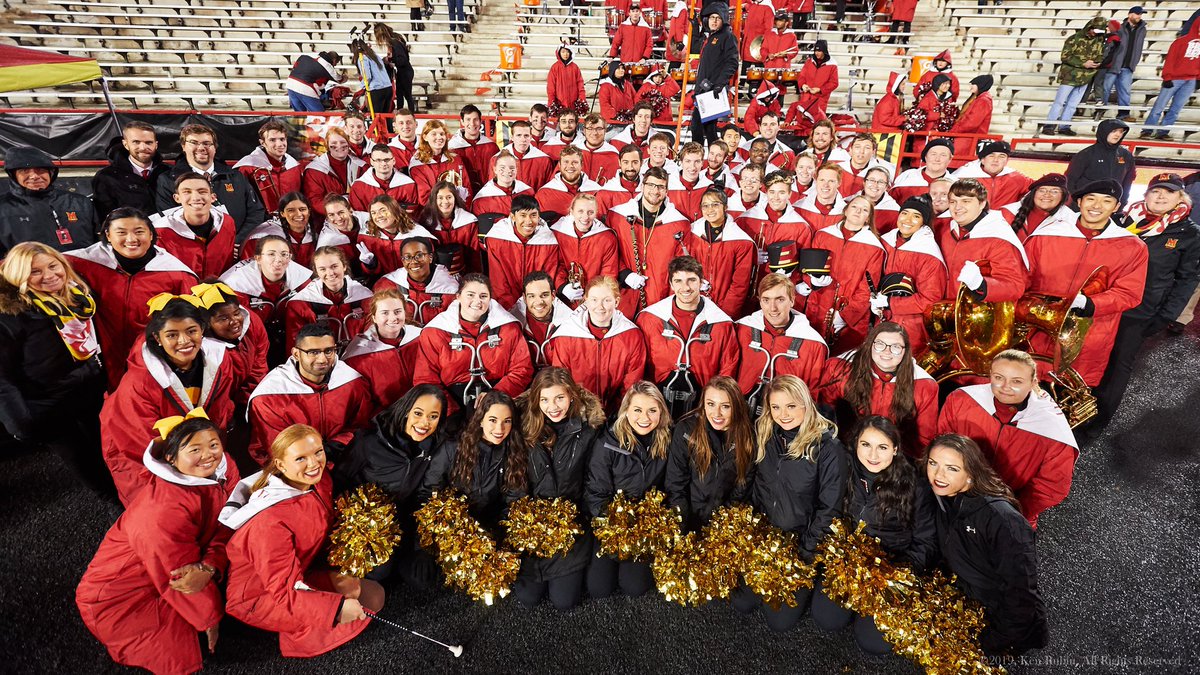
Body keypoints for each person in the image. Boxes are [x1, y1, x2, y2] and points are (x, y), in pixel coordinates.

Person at [76, 414, 237, 675]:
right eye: (195, 449)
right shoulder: (160, 510)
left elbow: (227, 522)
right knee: (179, 657)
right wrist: (211, 617)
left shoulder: (224, 468)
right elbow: (177, 575)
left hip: (175, 564)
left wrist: (210, 566)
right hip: (121, 592)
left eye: (213, 444)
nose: (209, 455)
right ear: (171, 458)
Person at [222, 425, 383, 657]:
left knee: (369, 593)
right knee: (360, 606)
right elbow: (283, 591)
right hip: (261, 596)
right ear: (280, 465)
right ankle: (295, 640)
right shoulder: (268, 523)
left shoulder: (318, 480)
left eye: (318, 452)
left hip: (298, 572)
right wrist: (334, 609)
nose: (314, 463)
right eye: (300, 458)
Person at [810, 416, 937, 656]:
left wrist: (896, 577)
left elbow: (926, 541)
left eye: (883, 447)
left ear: (896, 449)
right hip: (848, 565)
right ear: (856, 444)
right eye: (866, 445)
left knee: (873, 643)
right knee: (827, 620)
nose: (873, 455)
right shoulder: (843, 469)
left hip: (890, 567)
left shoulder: (915, 485)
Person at [0, 243, 112, 497]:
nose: (49, 275)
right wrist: (21, 422)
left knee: (109, 449)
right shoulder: (8, 316)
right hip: (48, 404)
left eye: (53, 266)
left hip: (89, 390)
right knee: (87, 465)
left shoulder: (78, 296)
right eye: (35, 271)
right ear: (18, 275)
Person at [100, 296, 235, 506]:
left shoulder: (220, 360)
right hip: (144, 453)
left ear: (202, 329)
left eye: (192, 331)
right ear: (157, 337)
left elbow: (219, 413)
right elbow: (141, 443)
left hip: (191, 448)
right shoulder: (138, 384)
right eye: (172, 334)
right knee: (165, 510)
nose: (184, 341)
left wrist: (210, 451)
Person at [736, 374, 845, 631]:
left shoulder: (828, 449)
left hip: (799, 545)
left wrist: (805, 554)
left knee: (779, 621)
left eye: (791, 406)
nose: (783, 414)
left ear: (806, 404)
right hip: (765, 536)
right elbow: (755, 484)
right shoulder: (765, 434)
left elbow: (829, 509)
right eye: (776, 407)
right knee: (742, 603)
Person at [924, 433, 1049, 656]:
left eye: (952, 468)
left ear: (971, 473)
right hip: (966, 599)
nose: (938, 474)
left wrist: (988, 643)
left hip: (997, 620)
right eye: (933, 463)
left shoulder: (1002, 520)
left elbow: (1021, 597)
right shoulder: (943, 494)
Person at [1095, 173, 1200, 427]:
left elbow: (1187, 279)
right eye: (1156, 191)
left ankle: (1098, 420)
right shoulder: (1121, 220)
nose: (1161, 196)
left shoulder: (1188, 233)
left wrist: (1166, 315)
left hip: (1139, 310)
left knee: (1119, 363)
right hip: (1103, 304)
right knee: (1093, 356)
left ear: (1180, 198)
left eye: (1169, 192)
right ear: (1146, 194)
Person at [1023, 179, 1148, 388]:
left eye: (1107, 201)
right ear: (1079, 202)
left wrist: (1091, 304)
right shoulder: (1046, 234)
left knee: (1069, 397)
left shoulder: (1132, 246)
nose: (1097, 206)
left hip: (1088, 333)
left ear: (1117, 207)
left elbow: (1130, 293)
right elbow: (1024, 276)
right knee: (1022, 392)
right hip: (1036, 330)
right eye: (1091, 199)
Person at [938, 350, 1077, 529]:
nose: (1005, 387)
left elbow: (1051, 486)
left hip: (1006, 514)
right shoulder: (961, 399)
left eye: (1017, 381)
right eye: (998, 377)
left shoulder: (1053, 431)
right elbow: (942, 444)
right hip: (953, 495)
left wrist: (1007, 512)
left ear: (1033, 383)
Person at [65, 208, 197, 389]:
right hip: (98, 361)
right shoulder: (82, 263)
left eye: (139, 232)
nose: (131, 239)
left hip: (153, 361)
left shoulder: (177, 274)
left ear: (151, 234)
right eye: (121, 232)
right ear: (107, 235)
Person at [511, 368, 606, 610]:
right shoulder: (523, 429)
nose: (553, 407)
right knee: (528, 598)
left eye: (559, 398)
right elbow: (516, 482)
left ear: (572, 395)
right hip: (533, 524)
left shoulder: (589, 431)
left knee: (564, 601)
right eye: (544, 399)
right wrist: (524, 523)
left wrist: (575, 521)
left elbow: (592, 482)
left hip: (572, 523)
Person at [338, 385, 447, 586]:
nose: (424, 423)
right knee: (379, 571)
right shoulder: (369, 442)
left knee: (422, 577)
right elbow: (340, 482)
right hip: (364, 524)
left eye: (433, 416)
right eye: (418, 413)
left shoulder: (433, 445)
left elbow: (425, 494)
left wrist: (420, 546)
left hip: (400, 520)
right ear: (406, 410)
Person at [586, 381, 673, 598]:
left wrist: (652, 525)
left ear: (661, 412)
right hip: (612, 522)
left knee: (635, 587)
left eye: (652, 410)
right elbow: (596, 493)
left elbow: (672, 487)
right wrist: (616, 527)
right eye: (637, 410)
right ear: (626, 411)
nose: (645, 418)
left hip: (646, 525)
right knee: (599, 588)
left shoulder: (668, 440)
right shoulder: (607, 443)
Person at [247, 324, 373, 464]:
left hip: (344, 455)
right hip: (292, 466)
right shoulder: (268, 397)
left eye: (328, 351)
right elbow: (277, 447)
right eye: (313, 352)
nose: (322, 359)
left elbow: (360, 425)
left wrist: (337, 446)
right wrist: (316, 454)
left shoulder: (353, 382)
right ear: (296, 354)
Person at [414, 273, 534, 415]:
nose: (477, 301)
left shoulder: (509, 328)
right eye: (470, 295)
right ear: (458, 296)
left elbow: (522, 369)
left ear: (490, 299)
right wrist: (451, 411)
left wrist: (496, 397)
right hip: (450, 401)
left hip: (500, 397)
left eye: (483, 296)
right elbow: (425, 378)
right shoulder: (435, 331)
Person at [637, 255, 739, 418]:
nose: (685, 288)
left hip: (701, 406)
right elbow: (639, 366)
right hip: (655, 404)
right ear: (670, 284)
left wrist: (713, 406)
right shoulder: (649, 318)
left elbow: (728, 367)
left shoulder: (722, 323)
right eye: (678, 281)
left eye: (691, 280)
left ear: (702, 282)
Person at [419, 390, 528, 538]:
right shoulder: (452, 448)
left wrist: (495, 533)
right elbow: (429, 492)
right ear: (481, 420)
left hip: (491, 532)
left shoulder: (514, 452)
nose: (499, 429)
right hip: (451, 533)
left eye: (507, 421)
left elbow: (514, 501)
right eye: (493, 420)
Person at [817, 322, 939, 454]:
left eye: (896, 347)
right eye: (880, 344)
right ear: (870, 345)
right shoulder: (840, 369)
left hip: (893, 458)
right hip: (843, 450)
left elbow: (922, 440)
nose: (887, 351)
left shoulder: (924, 385)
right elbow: (823, 416)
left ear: (906, 350)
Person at [664, 375, 755, 532]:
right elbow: (675, 484)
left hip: (720, 527)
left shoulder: (748, 438)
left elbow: (741, 489)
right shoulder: (686, 430)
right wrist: (682, 526)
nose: (717, 413)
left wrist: (720, 526)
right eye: (711, 404)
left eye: (725, 406)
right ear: (703, 404)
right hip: (685, 521)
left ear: (737, 406)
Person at [546, 276, 647, 412]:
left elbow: (632, 384)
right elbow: (561, 381)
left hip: (616, 412)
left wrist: (619, 413)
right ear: (586, 300)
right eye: (594, 300)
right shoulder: (566, 335)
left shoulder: (632, 335)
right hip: (576, 411)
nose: (600, 306)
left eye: (607, 300)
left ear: (616, 302)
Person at [735, 273, 827, 413]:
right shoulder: (741, 328)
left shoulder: (813, 344)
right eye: (766, 300)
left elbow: (812, 394)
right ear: (759, 301)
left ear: (792, 300)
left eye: (780, 300)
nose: (773, 308)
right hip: (740, 409)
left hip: (784, 417)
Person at [802, 194, 883, 348]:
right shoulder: (823, 235)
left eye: (864, 210)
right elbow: (808, 268)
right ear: (845, 211)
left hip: (849, 316)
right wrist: (812, 281)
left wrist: (846, 316)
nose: (858, 211)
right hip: (818, 305)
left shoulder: (875, 248)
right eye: (854, 207)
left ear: (868, 218)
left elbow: (867, 289)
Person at [155, 124, 264, 238]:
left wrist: (237, 241)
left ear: (215, 147)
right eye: (194, 142)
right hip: (194, 250)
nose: (201, 148)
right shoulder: (168, 180)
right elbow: (170, 220)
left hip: (237, 248)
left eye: (207, 143)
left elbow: (256, 212)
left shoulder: (236, 176)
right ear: (183, 146)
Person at [607, 167, 691, 316]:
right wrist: (625, 274)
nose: (655, 190)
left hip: (660, 296)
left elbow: (681, 265)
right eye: (651, 185)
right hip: (624, 294)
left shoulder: (679, 223)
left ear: (666, 191)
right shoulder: (617, 216)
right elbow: (608, 254)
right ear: (642, 186)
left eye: (660, 187)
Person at [219, 235, 314, 361]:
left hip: (288, 336)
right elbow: (240, 330)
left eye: (284, 254)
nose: (278, 260)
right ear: (258, 258)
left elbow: (308, 322)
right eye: (271, 254)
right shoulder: (238, 284)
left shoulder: (301, 280)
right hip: (251, 341)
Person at [937, 178, 1029, 307]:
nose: (957, 207)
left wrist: (981, 284)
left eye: (966, 201)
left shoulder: (999, 238)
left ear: (982, 203)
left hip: (975, 316)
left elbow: (1014, 286)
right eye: (953, 202)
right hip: (942, 313)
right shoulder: (944, 228)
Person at [0, 146, 97, 256]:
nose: (34, 176)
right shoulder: (3, 208)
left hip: (82, 270)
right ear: (13, 175)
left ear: (51, 173)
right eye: (25, 170)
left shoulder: (80, 202)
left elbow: (99, 242)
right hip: (26, 272)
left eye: (41, 170)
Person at [878, 196, 946, 353]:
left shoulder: (929, 254)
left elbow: (930, 299)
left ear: (924, 222)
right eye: (905, 213)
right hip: (880, 318)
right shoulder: (885, 241)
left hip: (910, 326)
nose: (908, 220)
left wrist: (890, 303)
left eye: (916, 216)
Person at [342, 288, 422, 414]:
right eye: (385, 313)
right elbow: (362, 405)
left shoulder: (422, 338)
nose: (393, 318)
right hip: (385, 418)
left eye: (397, 312)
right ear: (374, 317)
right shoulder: (357, 357)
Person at [683, 188, 755, 317]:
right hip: (693, 302)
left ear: (725, 207)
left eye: (715, 204)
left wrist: (724, 315)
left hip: (723, 308)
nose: (710, 210)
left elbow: (739, 285)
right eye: (705, 206)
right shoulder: (692, 233)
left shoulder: (741, 240)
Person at [196, 282, 269, 409]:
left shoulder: (252, 322)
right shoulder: (204, 351)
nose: (234, 322)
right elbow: (216, 400)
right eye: (223, 318)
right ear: (207, 323)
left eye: (236, 313)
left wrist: (248, 403)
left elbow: (259, 366)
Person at [284, 247, 372, 350]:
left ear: (344, 266)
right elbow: (297, 346)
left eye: (334, 266)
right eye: (322, 269)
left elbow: (373, 338)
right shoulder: (300, 303)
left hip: (359, 355)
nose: (330, 273)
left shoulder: (366, 297)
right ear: (316, 271)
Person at [484, 195, 564, 308]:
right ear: (512, 216)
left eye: (533, 215)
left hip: (538, 304)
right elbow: (498, 282)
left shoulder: (549, 242)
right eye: (523, 215)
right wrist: (511, 309)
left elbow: (547, 278)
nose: (529, 221)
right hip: (506, 303)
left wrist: (535, 306)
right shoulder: (496, 239)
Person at [152, 173, 237, 279]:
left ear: (213, 197)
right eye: (187, 192)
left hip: (217, 291)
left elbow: (227, 265)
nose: (196, 197)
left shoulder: (227, 222)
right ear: (177, 198)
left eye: (202, 192)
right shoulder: (160, 231)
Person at [1042, 17, 1108, 136]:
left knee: (1073, 104)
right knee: (1059, 102)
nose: (1096, 34)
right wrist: (1083, 63)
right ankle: (1049, 125)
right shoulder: (1074, 39)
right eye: (1096, 30)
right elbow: (1065, 57)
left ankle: (1064, 125)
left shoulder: (1099, 40)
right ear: (1090, 27)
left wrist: (1097, 62)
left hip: (1086, 76)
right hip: (1070, 76)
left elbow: (1100, 55)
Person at [373, 238, 460, 327]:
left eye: (419, 255)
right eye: (407, 257)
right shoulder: (387, 285)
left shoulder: (451, 291)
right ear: (402, 261)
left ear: (430, 258)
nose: (414, 261)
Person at [91, 121, 169, 220]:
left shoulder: (170, 173)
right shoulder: (106, 177)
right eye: (136, 142)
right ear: (125, 144)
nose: (143, 147)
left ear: (156, 144)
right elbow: (105, 218)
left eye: (148, 142)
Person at [550, 193, 619, 301]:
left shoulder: (607, 238)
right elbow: (556, 265)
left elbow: (608, 273)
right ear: (571, 211)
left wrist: (593, 297)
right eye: (580, 211)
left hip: (595, 299)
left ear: (596, 213)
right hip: (563, 297)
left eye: (590, 212)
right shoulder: (558, 233)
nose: (585, 217)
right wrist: (562, 287)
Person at [1139, 20, 1200, 141]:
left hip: (1190, 80)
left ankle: (1163, 131)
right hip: (1174, 78)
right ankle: (1147, 130)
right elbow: (1170, 59)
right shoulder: (1180, 42)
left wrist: (1198, 78)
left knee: (1176, 109)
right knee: (1159, 106)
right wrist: (1167, 76)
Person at [690, 2, 739, 147]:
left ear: (723, 20)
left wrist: (719, 84)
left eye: (717, 18)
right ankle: (715, 157)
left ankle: (698, 156)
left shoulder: (728, 37)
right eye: (712, 17)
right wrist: (694, 29)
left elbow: (732, 63)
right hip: (704, 90)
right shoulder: (710, 37)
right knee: (709, 130)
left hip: (712, 91)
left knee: (698, 127)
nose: (714, 21)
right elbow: (694, 48)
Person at [234, 120, 302, 214]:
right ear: (262, 143)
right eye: (272, 140)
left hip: (290, 220)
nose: (279, 144)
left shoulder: (294, 167)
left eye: (282, 139)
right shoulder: (247, 168)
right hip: (260, 223)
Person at [358, 194, 436, 276]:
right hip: (383, 283)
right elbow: (370, 275)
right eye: (373, 213)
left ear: (394, 210)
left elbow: (427, 266)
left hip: (414, 281)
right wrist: (371, 264)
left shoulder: (418, 234)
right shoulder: (366, 237)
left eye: (383, 210)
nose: (378, 216)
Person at [1064, 120, 1136, 204]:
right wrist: (1075, 204)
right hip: (1083, 205)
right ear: (1104, 131)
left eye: (1121, 131)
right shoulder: (1086, 154)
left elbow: (1127, 183)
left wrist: (1121, 204)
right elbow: (1069, 181)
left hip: (1111, 206)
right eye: (1114, 131)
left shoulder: (1126, 155)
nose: (1118, 134)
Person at [511, 271, 573, 368]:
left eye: (544, 295)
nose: (539, 302)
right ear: (524, 298)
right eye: (532, 296)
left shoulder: (571, 323)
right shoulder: (511, 324)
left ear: (553, 295)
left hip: (558, 379)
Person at [240, 192, 317, 269]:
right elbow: (251, 268)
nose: (298, 214)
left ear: (309, 211)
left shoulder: (315, 235)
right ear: (282, 213)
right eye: (291, 210)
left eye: (302, 209)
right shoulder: (263, 236)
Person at [418, 180, 481, 274]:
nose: (445, 201)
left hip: (464, 273)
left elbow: (475, 255)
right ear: (434, 199)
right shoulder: (426, 224)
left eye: (449, 197)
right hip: (436, 276)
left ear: (455, 198)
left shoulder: (469, 222)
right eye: (440, 198)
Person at [951, 140, 1033, 210]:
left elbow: (1038, 188)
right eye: (991, 156)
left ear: (1007, 161)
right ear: (982, 160)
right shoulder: (963, 176)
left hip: (1004, 223)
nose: (996, 160)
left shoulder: (1015, 177)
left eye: (1002, 156)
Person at [302, 128, 366, 216]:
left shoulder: (361, 166)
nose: (339, 146)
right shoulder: (314, 171)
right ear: (327, 146)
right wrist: (338, 213)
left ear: (348, 144)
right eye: (334, 143)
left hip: (357, 214)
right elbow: (314, 201)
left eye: (342, 142)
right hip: (329, 217)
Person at [1098, 7, 1147, 122]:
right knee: (1106, 89)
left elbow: (1138, 48)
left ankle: (1123, 114)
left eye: (1140, 14)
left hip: (1128, 65)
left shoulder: (1142, 30)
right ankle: (1099, 111)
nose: (1139, 16)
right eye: (1137, 14)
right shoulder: (1119, 28)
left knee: (1125, 91)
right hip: (1114, 64)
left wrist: (1134, 62)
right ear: (1130, 14)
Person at [408, 120, 473, 205]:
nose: (439, 137)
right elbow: (424, 198)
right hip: (432, 213)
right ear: (425, 137)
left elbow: (467, 189)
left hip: (457, 211)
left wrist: (460, 210)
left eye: (442, 134)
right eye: (434, 134)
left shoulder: (455, 159)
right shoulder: (417, 164)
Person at [536, 146, 601, 224]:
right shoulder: (544, 194)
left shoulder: (597, 191)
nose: (570, 166)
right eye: (566, 162)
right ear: (559, 165)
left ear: (582, 165)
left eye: (575, 162)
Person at [349, 145, 419, 217]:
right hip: (369, 226)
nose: (383, 164)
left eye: (387, 159)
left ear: (393, 160)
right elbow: (358, 216)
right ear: (371, 162)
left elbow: (412, 214)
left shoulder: (408, 185)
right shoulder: (358, 187)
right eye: (378, 160)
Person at [449, 105, 501, 194]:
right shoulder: (452, 148)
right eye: (468, 119)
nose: (472, 124)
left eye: (475, 119)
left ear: (480, 121)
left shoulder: (491, 147)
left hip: (488, 194)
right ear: (462, 122)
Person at [1006, 173, 1071, 241]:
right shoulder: (1007, 213)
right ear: (1033, 194)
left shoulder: (1070, 221)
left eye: (1054, 191)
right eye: (1042, 190)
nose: (1047, 194)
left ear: (1063, 196)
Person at [495, 121, 556, 191]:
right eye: (518, 135)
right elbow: (494, 188)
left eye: (526, 136)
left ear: (531, 137)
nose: (523, 139)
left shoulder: (544, 160)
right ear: (512, 137)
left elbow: (548, 189)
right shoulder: (497, 159)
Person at [473, 152, 535, 218]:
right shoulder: (481, 200)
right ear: (495, 170)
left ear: (517, 170)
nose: (508, 171)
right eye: (502, 167)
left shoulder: (528, 192)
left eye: (512, 168)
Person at [792, 40, 839, 121]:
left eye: (819, 51)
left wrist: (820, 90)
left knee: (817, 124)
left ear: (824, 51)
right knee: (801, 123)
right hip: (806, 98)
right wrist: (803, 85)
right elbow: (801, 76)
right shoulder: (809, 61)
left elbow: (834, 83)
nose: (817, 53)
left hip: (820, 100)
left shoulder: (832, 65)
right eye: (816, 51)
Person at [595, 143, 643, 219]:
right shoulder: (605, 193)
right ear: (619, 163)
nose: (630, 167)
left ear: (641, 163)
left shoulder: (650, 190)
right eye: (626, 162)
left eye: (635, 162)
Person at [375, 24, 416, 112]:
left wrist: (391, 60)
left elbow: (403, 59)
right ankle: (401, 113)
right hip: (403, 71)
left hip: (405, 71)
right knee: (400, 94)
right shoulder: (395, 40)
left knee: (407, 95)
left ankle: (410, 113)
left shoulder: (394, 42)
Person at [547, 46, 587, 120]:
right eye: (563, 52)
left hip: (573, 104)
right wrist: (552, 103)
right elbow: (551, 88)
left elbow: (580, 84)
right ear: (559, 53)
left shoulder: (575, 67)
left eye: (567, 52)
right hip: (560, 105)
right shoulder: (555, 68)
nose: (565, 54)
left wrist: (581, 100)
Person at [858, 166, 900, 233]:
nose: (875, 185)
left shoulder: (894, 212)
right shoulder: (849, 201)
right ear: (864, 182)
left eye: (881, 182)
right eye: (872, 180)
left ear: (886, 187)